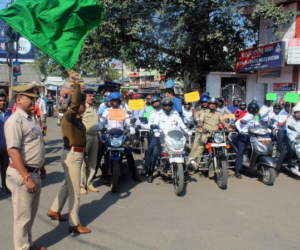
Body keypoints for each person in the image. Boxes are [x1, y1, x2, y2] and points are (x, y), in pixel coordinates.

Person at [47, 70, 91, 234]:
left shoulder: (77, 120)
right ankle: (74, 223)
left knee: (67, 184)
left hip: (77, 154)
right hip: (72, 155)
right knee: (75, 191)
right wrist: (76, 83)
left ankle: (54, 209)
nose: (84, 107)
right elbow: (74, 103)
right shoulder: (69, 116)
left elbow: (81, 140)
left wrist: (85, 157)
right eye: (82, 105)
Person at [5, 84, 47, 250]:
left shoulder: (31, 119)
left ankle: (28, 244)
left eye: (35, 98)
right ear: (19, 99)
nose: (34, 101)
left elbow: (35, 145)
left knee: (30, 214)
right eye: (30, 98)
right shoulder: (15, 121)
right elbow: (13, 151)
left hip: (33, 172)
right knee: (22, 217)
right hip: (22, 175)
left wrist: (40, 166)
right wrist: (27, 177)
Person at [147, 98, 191, 182]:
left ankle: (184, 169)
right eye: (166, 105)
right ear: (163, 106)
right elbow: (155, 124)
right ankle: (150, 173)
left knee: (185, 152)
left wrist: (187, 131)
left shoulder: (175, 114)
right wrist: (156, 132)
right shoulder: (159, 115)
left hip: (175, 138)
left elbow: (181, 124)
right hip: (162, 139)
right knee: (155, 154)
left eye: (169, 105)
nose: (168, 107)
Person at [100, 92, 141, 182]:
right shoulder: (107, 111)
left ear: (119, 101)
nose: (115, 102)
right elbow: (102, 119)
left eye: (117, 100)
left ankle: (134, 173)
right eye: (113, 100)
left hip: (121, 134)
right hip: (110, 134)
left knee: (129, 153)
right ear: (110, 101)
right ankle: (94, 173)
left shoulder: (123, 111)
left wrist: (131, 123)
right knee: (100, 151)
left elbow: (127, 120)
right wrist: (100, 124)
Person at [189, 97, 231, 169]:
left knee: (224, 146)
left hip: (216, 134)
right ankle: (195, 162)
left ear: (216, 105)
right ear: (208, 104)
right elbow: (201, 122)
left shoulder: (218, 113)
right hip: (206, 133)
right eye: (211, 103)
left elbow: (223, 122)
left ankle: (224, 163)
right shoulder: (204, 113)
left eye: (214, 104)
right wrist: (200, 128)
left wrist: (228, 127)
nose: (212, 105)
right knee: (201, 147)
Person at [80, 88, 100, 194]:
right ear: (85, 97)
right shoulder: (82, 108)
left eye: (93, 96)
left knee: (93, 161)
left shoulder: (94, 108)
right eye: (90, 96)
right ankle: (81, 185)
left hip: (95, 136)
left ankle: (90, 183)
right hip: (85, 137)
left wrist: (99, 137)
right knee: (83, 161)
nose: (92, 98)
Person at [234, 102, 260, 179]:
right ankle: (237, 171)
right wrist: (240, 130)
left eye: (256, 110)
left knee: (255, 150)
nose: (255, 111)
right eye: (254, 110)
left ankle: (253, 166)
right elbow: (237, 123)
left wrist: (264, 128)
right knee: (241, 152)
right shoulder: (247, 116)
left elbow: (256, 124)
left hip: (251, 136)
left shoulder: (253, 117)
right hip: (243, 136)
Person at [276, 105, 300, 176]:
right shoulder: (290, 119)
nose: (299, 114)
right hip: (291, 139)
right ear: (294, 113)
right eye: (297, 113)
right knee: (284, 152)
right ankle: (277, 168)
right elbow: (289, 131)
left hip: (299, 139)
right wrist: (292, 139)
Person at [0, 91, 11, 194]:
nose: (2, 102)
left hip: (7, 147)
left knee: (5, 169)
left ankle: (5, 186)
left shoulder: (10, 114)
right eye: (0, 100)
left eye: (4, 100)